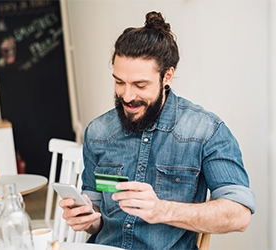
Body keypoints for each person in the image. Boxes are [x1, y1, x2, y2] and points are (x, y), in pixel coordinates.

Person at [59, 11, 256, 249]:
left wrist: (163, 210)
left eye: (140, 85)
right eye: (119, 82)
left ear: (167, 76)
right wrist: (85, 218)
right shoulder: (98, 131)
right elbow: (97, 217)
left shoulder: (206, 131)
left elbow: (239, 214)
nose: (127, 96)